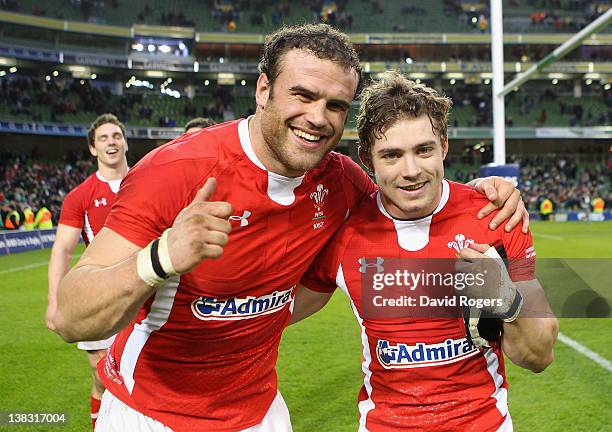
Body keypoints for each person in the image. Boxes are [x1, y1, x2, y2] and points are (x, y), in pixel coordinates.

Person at [52, 24, 528, 432]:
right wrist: (162, 258)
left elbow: (410, 186)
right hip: (151, 413)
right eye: (302, 95)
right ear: (263, 91)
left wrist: (486, 191)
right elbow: (70, 317)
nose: (317, 118)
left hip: (261, 412)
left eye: (336, 105)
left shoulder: (342, 182)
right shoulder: (179, 170)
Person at [297, 72, 558, 431]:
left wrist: (506, 300)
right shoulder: (343, 235)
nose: (411, 171)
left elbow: (539, 355)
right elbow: (266, 315)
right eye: (391, 155)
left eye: (424, 150)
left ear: (445, 146)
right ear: (367, 159)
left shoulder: (494, 218)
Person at [46, 113, 129, 430]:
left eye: (116, 136)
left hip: (147, 291)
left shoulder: (147, 180)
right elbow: (63, 249)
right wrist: (55, 302)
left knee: (149, 375)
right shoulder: (79, 196)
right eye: (104, 138)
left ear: (124, 142)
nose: (112, 142)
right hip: (101, 295)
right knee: (102, 375)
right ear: (93, 149)